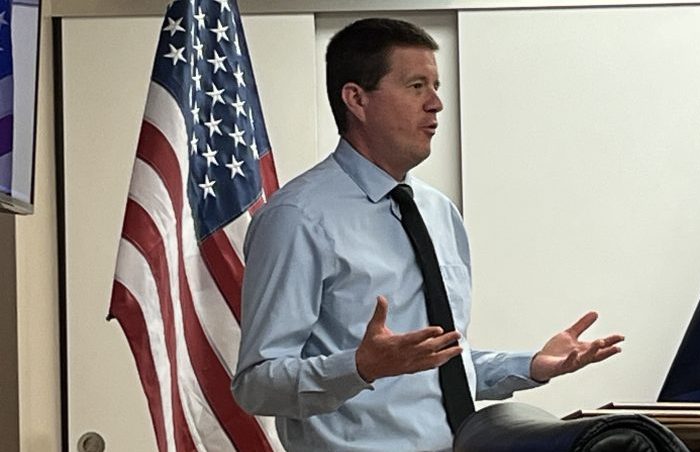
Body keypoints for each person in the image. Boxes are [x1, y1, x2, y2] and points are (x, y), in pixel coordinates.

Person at [232, 17, 624, 452]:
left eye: (435, 87)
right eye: (416, 86)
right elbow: (256, 385)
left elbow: (439, 366)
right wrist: (360, 368)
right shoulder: (298, 218)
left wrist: (531, 365)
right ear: (357, 99)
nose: (436, 104)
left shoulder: (437, 211)